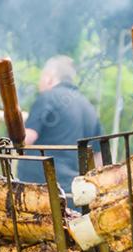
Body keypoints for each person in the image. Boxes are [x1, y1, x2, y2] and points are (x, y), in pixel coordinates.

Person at [17, 56, 103, 195]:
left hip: (40, 192)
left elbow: (26, 139)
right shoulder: (88, 107)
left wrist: (12, 128)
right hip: (74, 195)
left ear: (49, 77)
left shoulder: (47, 98)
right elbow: (98, 157)